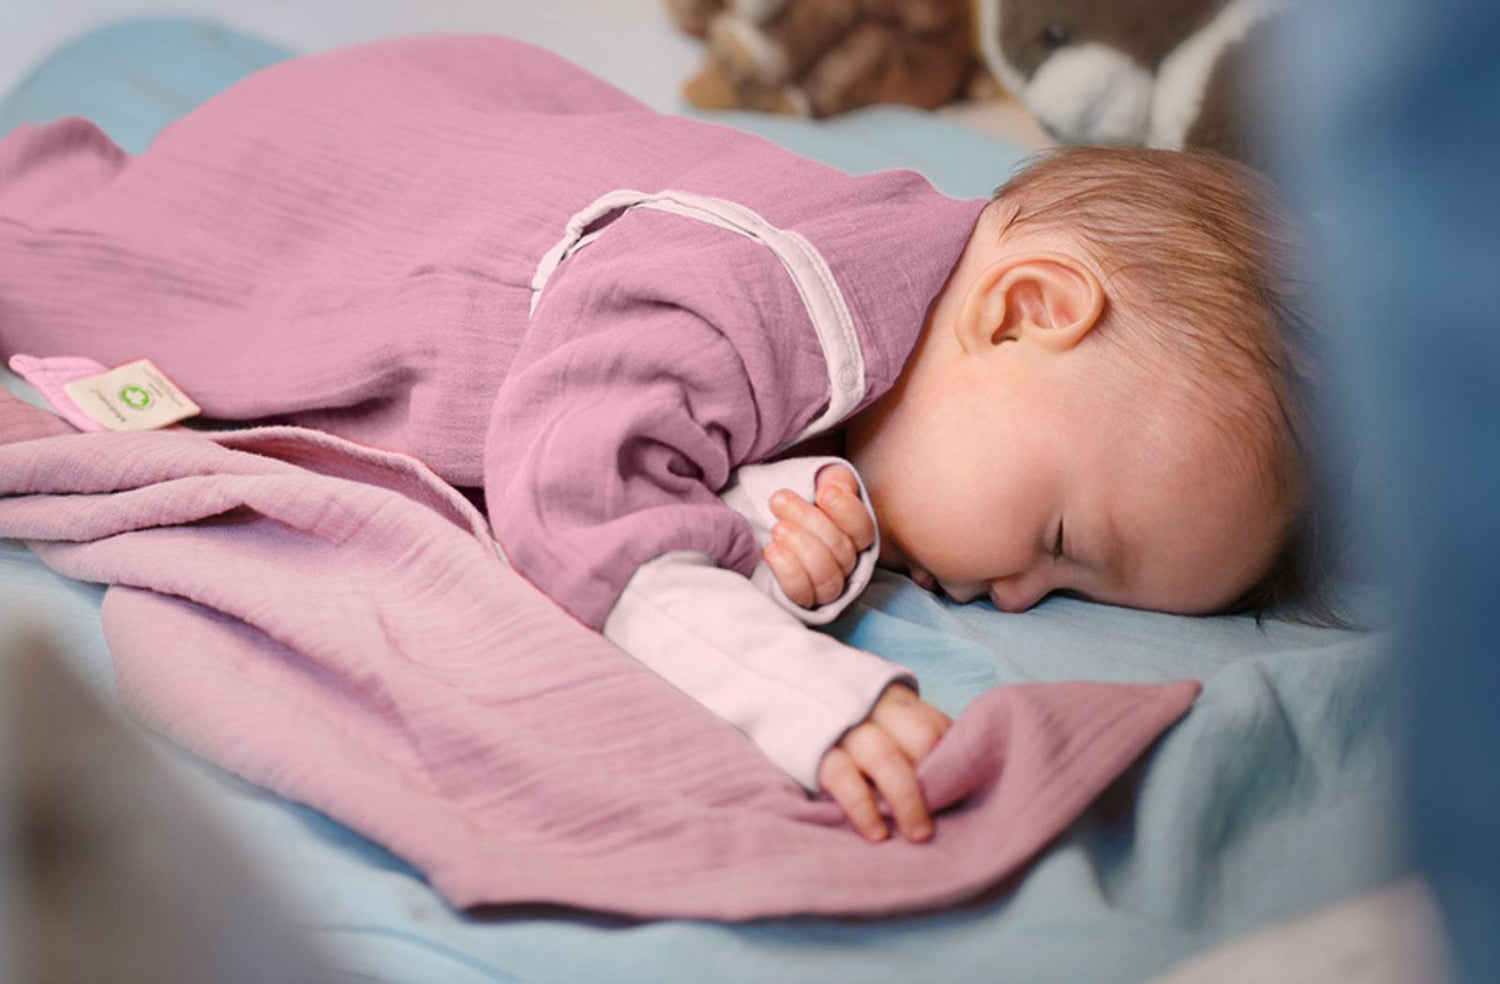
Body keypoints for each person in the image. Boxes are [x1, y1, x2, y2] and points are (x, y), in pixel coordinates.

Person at [0, 33, 1319, 846]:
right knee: (77, 273)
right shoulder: (763, 277)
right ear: (1028, 309)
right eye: (1060, 542)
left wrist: (774, 522)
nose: (1023, 596)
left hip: (433, 105)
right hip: (311, 201)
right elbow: (582, 498)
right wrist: (809, 697)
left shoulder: (908, 324)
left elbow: (760, 428)